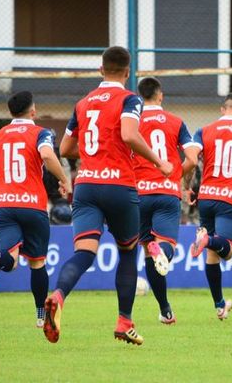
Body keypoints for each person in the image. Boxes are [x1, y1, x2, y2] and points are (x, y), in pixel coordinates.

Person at [42, 47, 173, 346]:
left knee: (84, 253)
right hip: (119, 186)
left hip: (86, 185)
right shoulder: (130, 99)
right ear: (128, 73)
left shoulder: (83, 102)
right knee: (128, 251)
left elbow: (65, 149)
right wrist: (159, 162)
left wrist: (93, 154)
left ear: (100, 70)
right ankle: (124, 321)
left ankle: (59, 295)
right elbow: (128, 134)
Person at [0, 91, 70, 328]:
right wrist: (64, 179)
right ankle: (39, 314)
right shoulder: (40, 133)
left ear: (10, 112)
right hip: (32, 205)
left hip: (4, 205)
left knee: (10, 261)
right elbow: (46, 154)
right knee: (37, 262)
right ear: (33, 110)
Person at [183, 92, 232, 320]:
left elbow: (191, 160)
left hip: (206, 197)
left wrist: (188, 188)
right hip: (230, 198)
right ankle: (207, 238)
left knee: (212, 256)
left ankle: (220, 305)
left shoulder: (204, 130)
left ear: (222, 110)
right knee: (227, 251)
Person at [133, 77, 198, 324]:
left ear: (140, 97)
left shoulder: (132, 121)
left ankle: (165, 310)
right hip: (166, 192)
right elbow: (192, 158)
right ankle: (161, 252)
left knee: (148, 253)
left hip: (138, 193)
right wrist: (179, 180)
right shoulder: (176, 122)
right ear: (160, 95)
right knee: (164, 247)